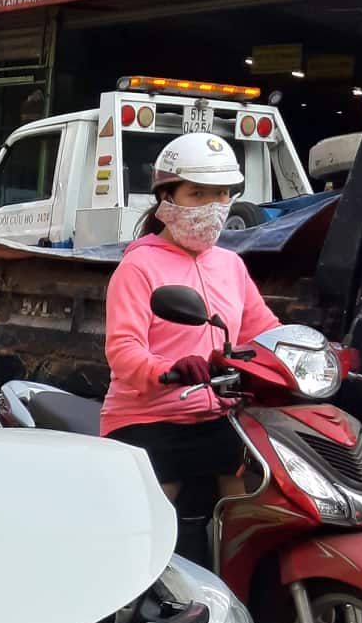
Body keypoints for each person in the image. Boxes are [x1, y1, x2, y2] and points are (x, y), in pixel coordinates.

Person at [98, 131, 278, 507]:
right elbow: (124, 350)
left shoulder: (231, 265)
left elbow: (263, 330)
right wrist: (169, 369)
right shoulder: (139, 266)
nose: (215, 206)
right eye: (199, 194)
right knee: (155, 512)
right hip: (149, 416)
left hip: (220, 414)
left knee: (255, 504)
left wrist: (306, 351)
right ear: (167, 197)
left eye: (223, 193)